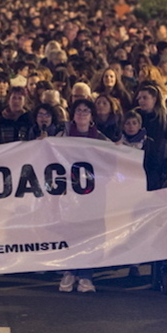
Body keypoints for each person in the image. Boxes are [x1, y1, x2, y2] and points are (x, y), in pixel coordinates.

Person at [56, 98, 108, 293]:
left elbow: (111, 162)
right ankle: (69, 271)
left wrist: (120, 149)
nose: (82, 114)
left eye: (86, 110)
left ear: (92, 115)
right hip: (69, 194)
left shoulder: (101, 139)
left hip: (93, 196)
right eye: (78, 110)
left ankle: (86, 274)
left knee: (90, 233)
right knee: (70, 232)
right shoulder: (62, 137)